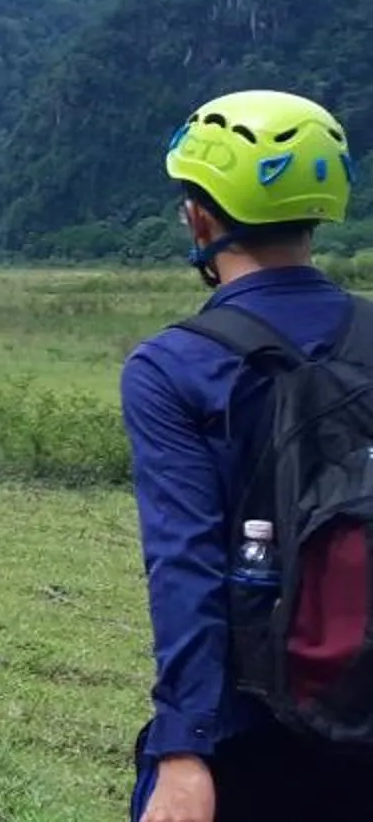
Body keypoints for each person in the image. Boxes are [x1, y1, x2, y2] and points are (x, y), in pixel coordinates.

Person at [125, 89, 373, 820]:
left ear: (201, 217)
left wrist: (182, 750)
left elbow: (185, 565)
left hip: (247, 727)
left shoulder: (173, 366)